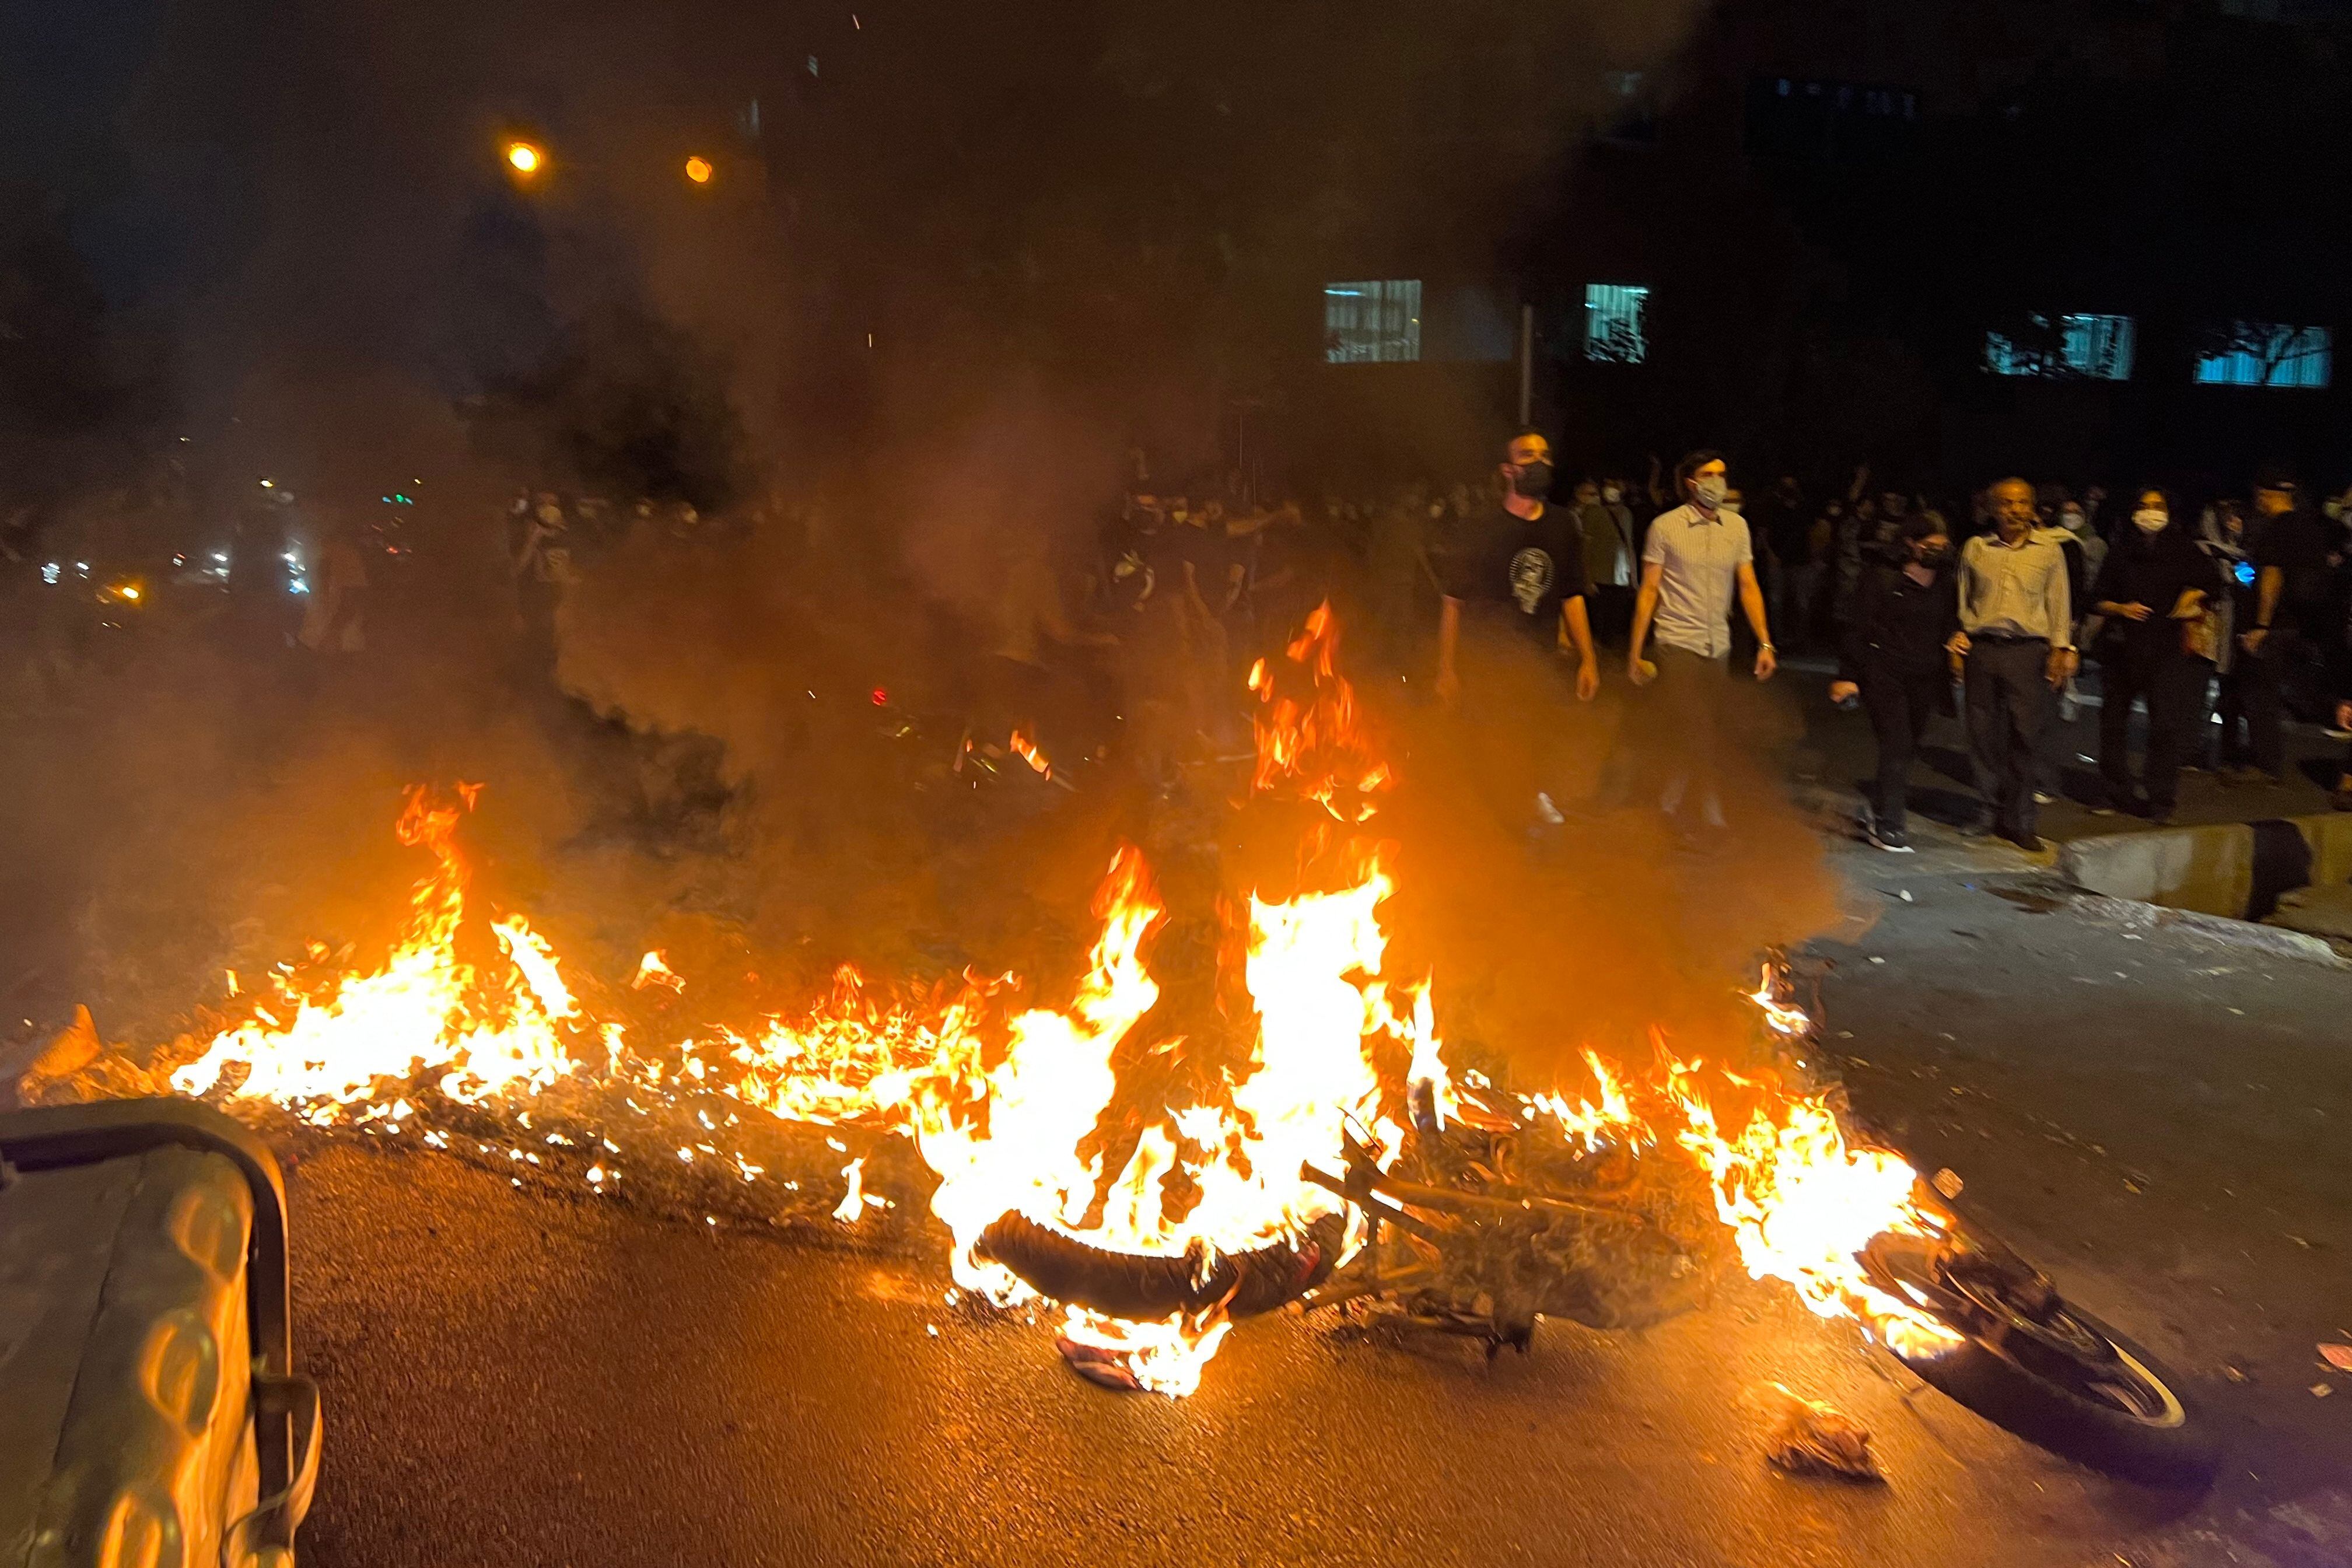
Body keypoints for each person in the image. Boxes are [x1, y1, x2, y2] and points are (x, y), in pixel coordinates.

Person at [1627, 450, 1777, 834]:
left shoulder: (1737, 528)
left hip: (1718, 645)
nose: (1717, 481)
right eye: (1708, 474)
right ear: (1691, 483)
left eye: (1722, 473)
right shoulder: (1665, 527)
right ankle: (1707, 807)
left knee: (1702, 725)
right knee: (1696, 725)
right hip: (1677, 641)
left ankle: (1669, 798)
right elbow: (1649, 590)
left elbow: (1747, 585)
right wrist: (1634, 651)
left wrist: (1765, 643)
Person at [1951, 477, 2075, 850]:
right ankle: (1988, 811)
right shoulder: (1976, 549)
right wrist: (1958, 640)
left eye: (2022, 503)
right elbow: (1963, 600)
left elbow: (2059, 602)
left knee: (2025, 736)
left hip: (2028, 652)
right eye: (2006, 503)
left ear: (2032, 507)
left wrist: (2062, 648)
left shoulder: (2049, 551)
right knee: (1982, 734)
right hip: (1983, 650)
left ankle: (2020, 820)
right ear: (1993, 509)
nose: (2015, 510)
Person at [1436, 428, 1600, 706]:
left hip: (1543, 665)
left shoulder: (1564, 525)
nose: (1539, 462)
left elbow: (1572, 596)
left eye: (1544, 456)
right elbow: (1453, 603)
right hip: (1484, 665)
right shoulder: (1478, 527)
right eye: (1527, 455)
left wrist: (1589, 661)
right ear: (1508, 470)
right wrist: (1445, 669)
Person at [1829, 514, 1960, 852]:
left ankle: (1885, 804)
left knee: (1909, 744)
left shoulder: (1947, 583)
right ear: (1911, 544)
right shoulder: (1883, 579)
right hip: (1884, 674)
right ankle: (1890, 823)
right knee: (1896, 743)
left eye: (1943, 547)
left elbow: (1951, 623)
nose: (1938, 552)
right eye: (1931, 546)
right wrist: (1847, 677)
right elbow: (1858, 629)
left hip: (1925, 677)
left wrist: (1958, 641)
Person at [2087, 489, 2213, 822]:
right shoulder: (2121, 550)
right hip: (2122, 648)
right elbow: (2097, 599)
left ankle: (2161, 799)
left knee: (2165, 726)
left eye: (2158, 506)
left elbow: (2214, 582)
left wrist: (2190, 599)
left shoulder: (2183, 548)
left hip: (2166, 648)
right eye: (2144, 506)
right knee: (2113, 722)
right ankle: (2114, 791)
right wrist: (2120, 608)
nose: (2151, 513)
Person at [2235, 469, 2333, 788]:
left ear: (2267, 494)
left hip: (2275, 625)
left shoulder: (2275, 529)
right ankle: (2267, 761)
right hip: (2302, 624)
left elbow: (2272, 577)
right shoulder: (2311, 528)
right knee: (2272, 694)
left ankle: (2265, 766)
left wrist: (2262, 624)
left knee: (2259, 694)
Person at [1573, 477, 1636, 645]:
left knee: (1614, 623)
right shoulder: (1593, 512)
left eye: (1615, 487)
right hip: (1600, 578)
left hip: (1621, 578)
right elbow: (1586, 548)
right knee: (1597, 623)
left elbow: (1629, 545)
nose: (1612, 491)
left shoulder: (1626, 514)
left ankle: (1609, 659)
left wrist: (1633, 578)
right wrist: (1588, 579)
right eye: (1608, 487)